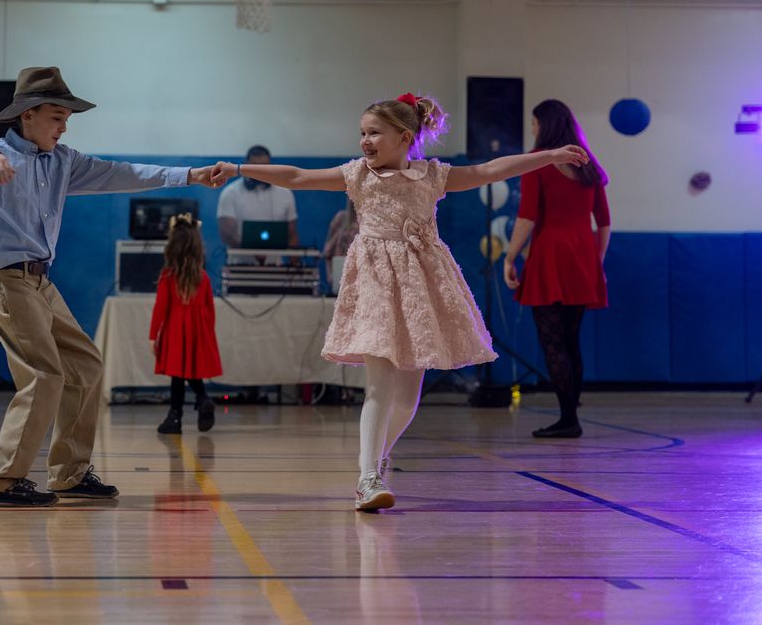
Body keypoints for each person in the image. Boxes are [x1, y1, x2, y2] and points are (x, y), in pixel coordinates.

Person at [210, 93, 588, 511]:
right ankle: (367, 477)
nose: (364, 140)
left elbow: (487, 170)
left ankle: (377, 459)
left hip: (420, 286)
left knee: (408, 398)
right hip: (374, 283)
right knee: (379, 384)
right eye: (362, 133)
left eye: (374, 133)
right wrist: (239, 168)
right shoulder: (357, 175)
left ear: (404, 137)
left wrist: (547, 155)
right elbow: (297, 176)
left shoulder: (432, 175)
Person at [0, 66, 222, 508]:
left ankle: (69, 474)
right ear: (27, 115)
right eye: (57, 116)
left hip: (40, 282)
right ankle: (3, 480)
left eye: (67, 117)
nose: (65, 125)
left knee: (87, 365)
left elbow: (124, 172)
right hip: (6, 281)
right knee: (44, 374)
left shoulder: (64, 161)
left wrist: (189, 175)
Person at [503, 99, 610, 439]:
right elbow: (605, 223)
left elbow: (527, 216)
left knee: (552, 341)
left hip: (550, 254)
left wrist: (509, 257)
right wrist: (597, 261)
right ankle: (570, 415)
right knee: (571, 340)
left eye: (534, 123)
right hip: (582, 256)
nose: (532, 129)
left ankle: (568, 420)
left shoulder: (539, 165)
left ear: (543, 125)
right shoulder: (589, 166)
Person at [150, 213, 222, 434]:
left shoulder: (168, 276)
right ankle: (201, 399)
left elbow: (160, 308)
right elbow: (210, 310)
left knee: (177, 375)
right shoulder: (203, 277)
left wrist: (154, 336)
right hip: (199, 331)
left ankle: (176, 417)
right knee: (190, 372)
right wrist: (206, 334)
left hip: (175, 329)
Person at [217, 144, 298, 252]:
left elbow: (291, 234)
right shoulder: (230, 193)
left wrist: (295, 263)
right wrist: (254, 251)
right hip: (239, 262)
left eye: (264, 167)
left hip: (275, 263)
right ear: (245, 165)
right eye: (254, 166)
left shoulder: (285, 193)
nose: (259, 171)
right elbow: (226, 234)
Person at [322, 198, 358, 292]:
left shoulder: (371, 221)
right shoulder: (341, 218)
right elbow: (327, 251)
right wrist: (330, 274)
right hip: (341, 267)